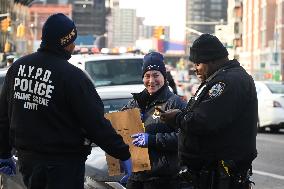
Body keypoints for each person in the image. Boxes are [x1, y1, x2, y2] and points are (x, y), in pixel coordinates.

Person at [0, 13, 132, 189]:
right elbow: (95, 123)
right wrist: (122, 153)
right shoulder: (72, 77)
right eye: (72, 40)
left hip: (28, 163)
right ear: (65, 42)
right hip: (64, 167)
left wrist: (3, 152)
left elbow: (3, 115)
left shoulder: (17, 68)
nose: (74, 45)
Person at [160, 34, 258, 189]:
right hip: (208, 175)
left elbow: (204, 121)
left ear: (211, 60)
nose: (195, 69)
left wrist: (177, 117)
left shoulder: (227, 82)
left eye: (198, 63)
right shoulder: (220, 78)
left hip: (219, 178)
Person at [122, 51, 187, 189]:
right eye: (147, 76)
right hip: (136, 176)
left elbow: (185, 138)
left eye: (156, 75)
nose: (151, 81)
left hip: (163, 179)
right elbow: (119, 129)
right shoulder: (135, 102)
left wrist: (151, 140)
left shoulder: (175, 103)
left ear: (164, 76)